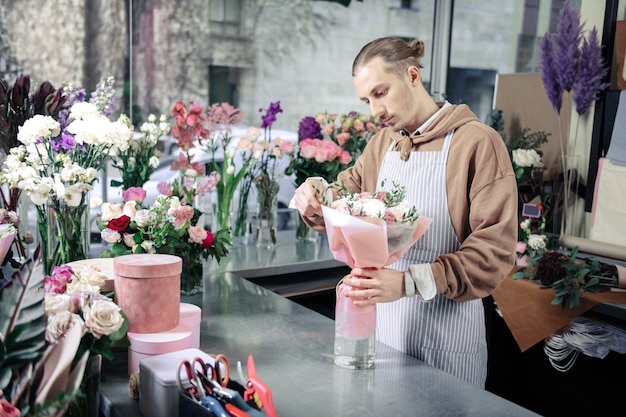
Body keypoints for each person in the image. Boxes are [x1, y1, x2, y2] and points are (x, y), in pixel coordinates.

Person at [292, 36, 518, 388]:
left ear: (412, 75)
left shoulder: (476, 142)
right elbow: (342, 195)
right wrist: (316, 197)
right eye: (366, 100)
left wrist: (409, 282)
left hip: (447, 339)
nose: (374, 111)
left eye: (380, 93)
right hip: (384, 331)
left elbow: (495, 252)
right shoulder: (383, 144)